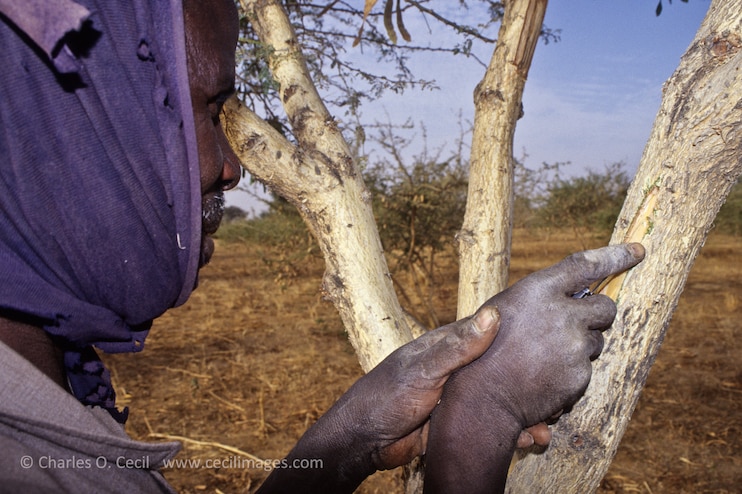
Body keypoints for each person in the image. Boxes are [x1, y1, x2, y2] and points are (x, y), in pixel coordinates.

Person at [0, 0, 645, 492]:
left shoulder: (43, 408)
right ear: (61, 130)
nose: (233, 167)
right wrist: (481, 422)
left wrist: (351, 436)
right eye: (205, 107)